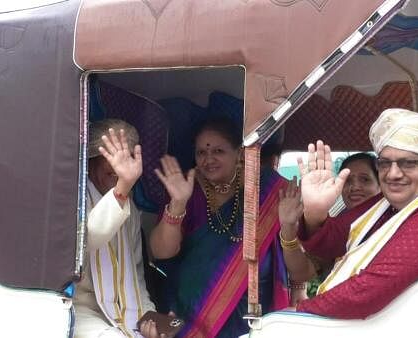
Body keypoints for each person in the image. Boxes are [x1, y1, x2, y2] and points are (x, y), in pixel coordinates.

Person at [290, 108, 418, 319]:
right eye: (385, 163)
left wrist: (298, 314)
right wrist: (315, 211)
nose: (393, 174)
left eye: (408, 163)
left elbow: (365, 293)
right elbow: (333, 241)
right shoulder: (388, 203)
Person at [149, 117, 289, 338]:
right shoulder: (186, 189)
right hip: (192, 309)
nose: (208, 159)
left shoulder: (265, 191)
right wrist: (177, 203)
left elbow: (292, 251)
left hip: (252, 312)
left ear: (239, 153)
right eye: (201, 153)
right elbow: (161, 253)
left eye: (218, 151)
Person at [74, 119, 178, 338]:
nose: (119, 166)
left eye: (127, 156)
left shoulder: (128, 207)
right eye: (112, 156)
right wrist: (121, 189)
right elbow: (87, 240)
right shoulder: (73, 197)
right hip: (80, 311)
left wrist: (149, 317)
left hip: (124, 312)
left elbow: (136, 276)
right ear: (92, 159)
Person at [278, 153, 380, 287]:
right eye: (348, 181)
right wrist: (288, 227)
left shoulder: (391, 220)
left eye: (365, 179)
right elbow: (301, 274)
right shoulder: (333, 229)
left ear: (380, 185)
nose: (355, 187)